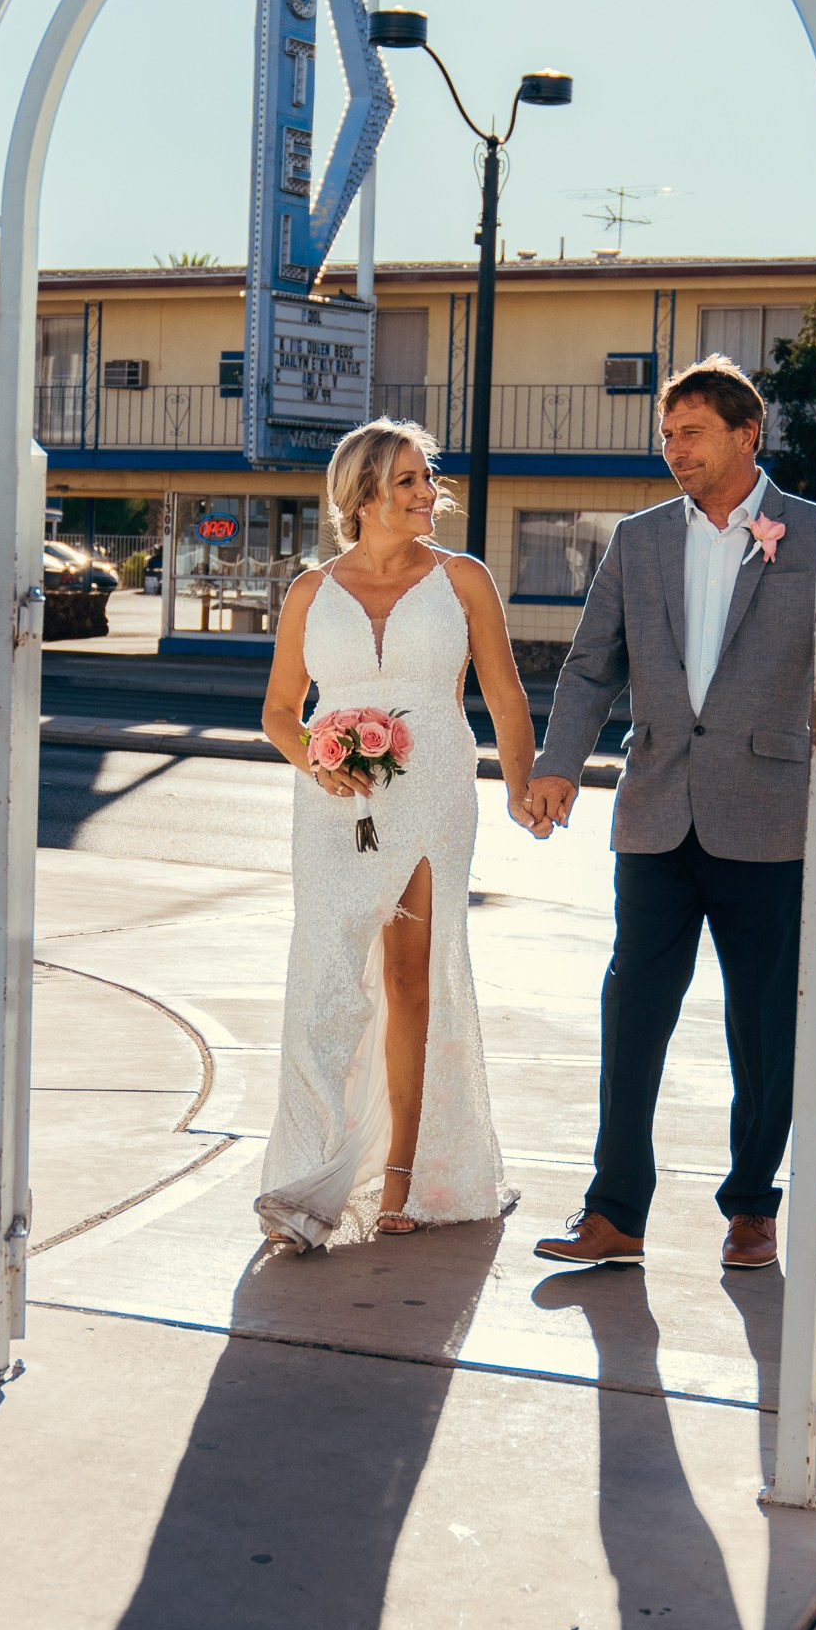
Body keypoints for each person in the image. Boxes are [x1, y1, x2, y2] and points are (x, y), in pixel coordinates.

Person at [525, 357, 816, 1273]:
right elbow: (591, 665)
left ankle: (752, 1205)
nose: (673, 449)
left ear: (746, 435)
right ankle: (615, 1212)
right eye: (666, 434)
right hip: (655, 811)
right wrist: (559, 764)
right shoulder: (638, 539)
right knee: (632, 1011)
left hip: (771, 816)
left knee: (764, 1025)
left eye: (691, 433)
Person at [256, 420, 545, 1249]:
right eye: (409, 481)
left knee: (413, 978)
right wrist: (317, 762)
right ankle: (305, 1181)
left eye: (428, 478)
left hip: (433, 797)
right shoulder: (310, 592)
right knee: (323, 981)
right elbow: (279, 711)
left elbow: (505, 695)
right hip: (332, 807)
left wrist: (523, 786)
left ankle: (403, 1178)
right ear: (363, 494)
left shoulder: (463, 579)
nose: (429, 494)